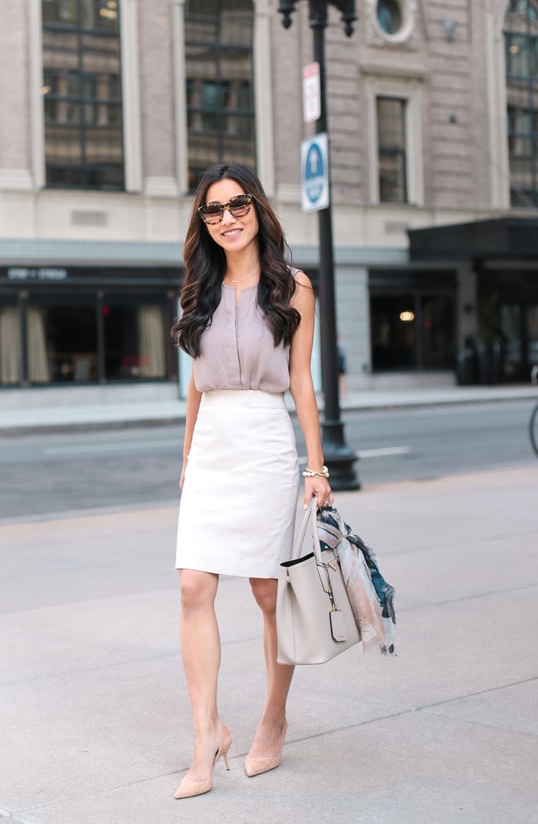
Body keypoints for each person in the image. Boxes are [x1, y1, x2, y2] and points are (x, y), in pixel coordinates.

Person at [171, 163, 333, 800]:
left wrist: (315, 468)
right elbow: (196, 381)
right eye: (213, 211)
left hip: (266, 441)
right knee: (192, 587)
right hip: (213, 444)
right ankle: (205, 735)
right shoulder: (198, 289)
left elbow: (300, 380)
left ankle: (273, 717)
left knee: (270, 595)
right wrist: (186, 456)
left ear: (257, 209)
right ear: (203, 223)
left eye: (237, 205)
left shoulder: (292, 287)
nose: (227, 218)